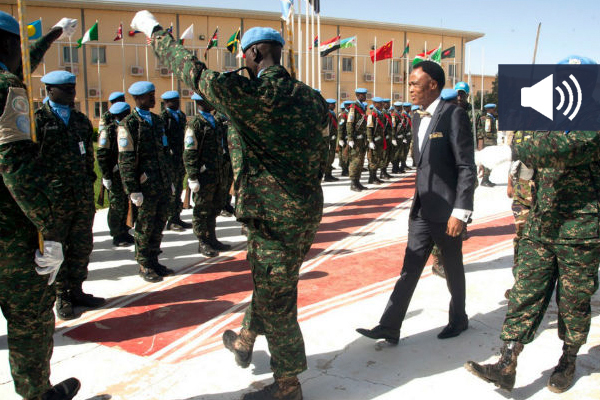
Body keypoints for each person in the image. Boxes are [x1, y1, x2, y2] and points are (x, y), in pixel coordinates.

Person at [132, 11, 328, 399]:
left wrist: (154, 30)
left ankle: (288, 385)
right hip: (304, 213)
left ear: (255, 53)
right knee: (273, 283)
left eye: (243, 57)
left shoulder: (252, 93)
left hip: (272, 217)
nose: (242, 65)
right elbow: (322, 153)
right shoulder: (311, 98)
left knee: (279, 300)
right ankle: (245, 339)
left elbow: (193, 71)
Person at [464, 57, 600, 394]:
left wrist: (512, 150)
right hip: (542, 221)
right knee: (525, 291)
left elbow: (565, 149)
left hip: (580, 229)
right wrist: (519, 175)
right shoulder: (549, 120)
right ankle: (507, 362)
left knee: (573, 301)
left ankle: (568, 359)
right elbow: (537, 159)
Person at [356, 61, 476, 344]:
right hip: (422, 207)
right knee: (409, 267)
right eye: (409, 83)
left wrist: (461, 212)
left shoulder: (453, 115)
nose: (409, 88)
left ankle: (459, 318)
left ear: (432, 84)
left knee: (452, 267)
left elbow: (466, 167)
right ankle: (389, 325)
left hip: (447, 211)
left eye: (414, 83)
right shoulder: (417, 117)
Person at [0, 12, 80, 400]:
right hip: (9, 236)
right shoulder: (7, 89)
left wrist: (51, 35)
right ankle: (36, 394)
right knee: (29, 320)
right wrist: (50, 230)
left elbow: (21, 62)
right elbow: (15, 167)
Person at [36, 70, 105, 320]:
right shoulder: (38, 120)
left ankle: (76, 289)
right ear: (49, 91)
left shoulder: (80, 120)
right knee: (58, 248)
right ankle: (61, 295)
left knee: (82, 245)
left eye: (73, 88)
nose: (71, 93)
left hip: (80, 195)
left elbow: (88, 154)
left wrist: (89, 181)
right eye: (65, 89)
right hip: (54, 199)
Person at [118, 81, 175, 283]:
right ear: (138, 98)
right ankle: (144, 264)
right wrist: (133, 189)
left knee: (159, 223)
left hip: (161, 182)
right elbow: (125, 160)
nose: (153, 99)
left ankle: (154, 260)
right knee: (144, 226)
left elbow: (164, 152)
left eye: (153, 94)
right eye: (149, 96)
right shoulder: (129, 124)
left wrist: (169, 179)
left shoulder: (157, 121)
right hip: (144, 186)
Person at [184, 93, 231, 257]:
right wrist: (192, 176)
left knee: (214, 207)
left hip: (217, 173)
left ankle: (212, 238)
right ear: (200, 102)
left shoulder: (216, 121)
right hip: (204, 175)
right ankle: (202, 242)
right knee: (202, 210)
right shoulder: (195, 124)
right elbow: (190, 152)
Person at [97, 101, 135, 247]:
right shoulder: (109, 130)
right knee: (116, 205)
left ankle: (125, 230)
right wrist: (106, 175)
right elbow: (102, 155)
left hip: (128, 173)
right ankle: (117, 234)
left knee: (127, 203)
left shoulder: (129, 128)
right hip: (115, 174)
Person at [160, 90, 192, 232]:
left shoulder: (181, 116)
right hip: (170, 159)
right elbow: (162, 139)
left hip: (181, 157)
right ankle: (171, 220)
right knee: (172, 189)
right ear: (166, 103)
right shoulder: (163, 118)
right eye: (173, 101)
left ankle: (177, 216)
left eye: (177, 101)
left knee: (179, 187)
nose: (177, 103)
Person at [347, 88, 369, 191]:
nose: (365, 96)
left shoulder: (362, 107)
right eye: (362, 95)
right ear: (357, 95)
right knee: (355, 161)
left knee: (360, 160)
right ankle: (353, 183)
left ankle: (358, 181)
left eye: (365, 94)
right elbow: (350, 123)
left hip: (362, 139)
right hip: (355, 139)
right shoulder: (353, 107)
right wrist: (350, 138)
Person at [477, 103, 498, 187]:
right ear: (489, 110)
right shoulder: (488, 119)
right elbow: (487, 133)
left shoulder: (488, 118)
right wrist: (496, 136)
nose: (495, 110)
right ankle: (485, 180)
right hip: (489, 143)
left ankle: (486, 179)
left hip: (488, 143)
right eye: (493, 109)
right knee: (489, 162)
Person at [366, 97, 385, 185]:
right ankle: (371, 177)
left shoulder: (380, 114)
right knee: (373, 159)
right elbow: (369, 128)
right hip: (374, 140)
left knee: (378, 159)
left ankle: (375, 176)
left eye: (381, 103)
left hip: (379, 140)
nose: (381, 105)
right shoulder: (372, 114)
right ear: (374, 104)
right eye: (379, 103)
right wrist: (370, 140)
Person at [323, 98, 339, 182]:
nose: (334, 106)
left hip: (332, 138)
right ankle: (327, 175)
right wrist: (328, 137)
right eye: (332, 104)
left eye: (334, 104)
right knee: (328, 157)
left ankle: (329, 174)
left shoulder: (332, 114)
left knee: (331, 156)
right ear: (328, 105)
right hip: (329, 138)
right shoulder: (327, 114)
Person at [336, 101, 351, 176]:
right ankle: (344, 170)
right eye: (348, 105)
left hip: (349, 137)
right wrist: (340, 139)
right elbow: (340, 128)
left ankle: (347, 168)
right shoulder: (343, 115)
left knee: (349, 154)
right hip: (344, 138)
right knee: (344, 154)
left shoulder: (350, 114)